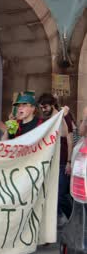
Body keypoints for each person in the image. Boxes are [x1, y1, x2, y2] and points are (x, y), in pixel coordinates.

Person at [38, 93, 73, 224]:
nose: (43, 110)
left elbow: (69, 140)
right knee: (53, 194)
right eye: (41, 107)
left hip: (63, 161)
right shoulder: (49, 120)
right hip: (52, 162)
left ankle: (72, 218)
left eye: (45, 107)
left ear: (52, 105)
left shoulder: (64, 116)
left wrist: (69, 162)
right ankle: (62, 219)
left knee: (61, 195)